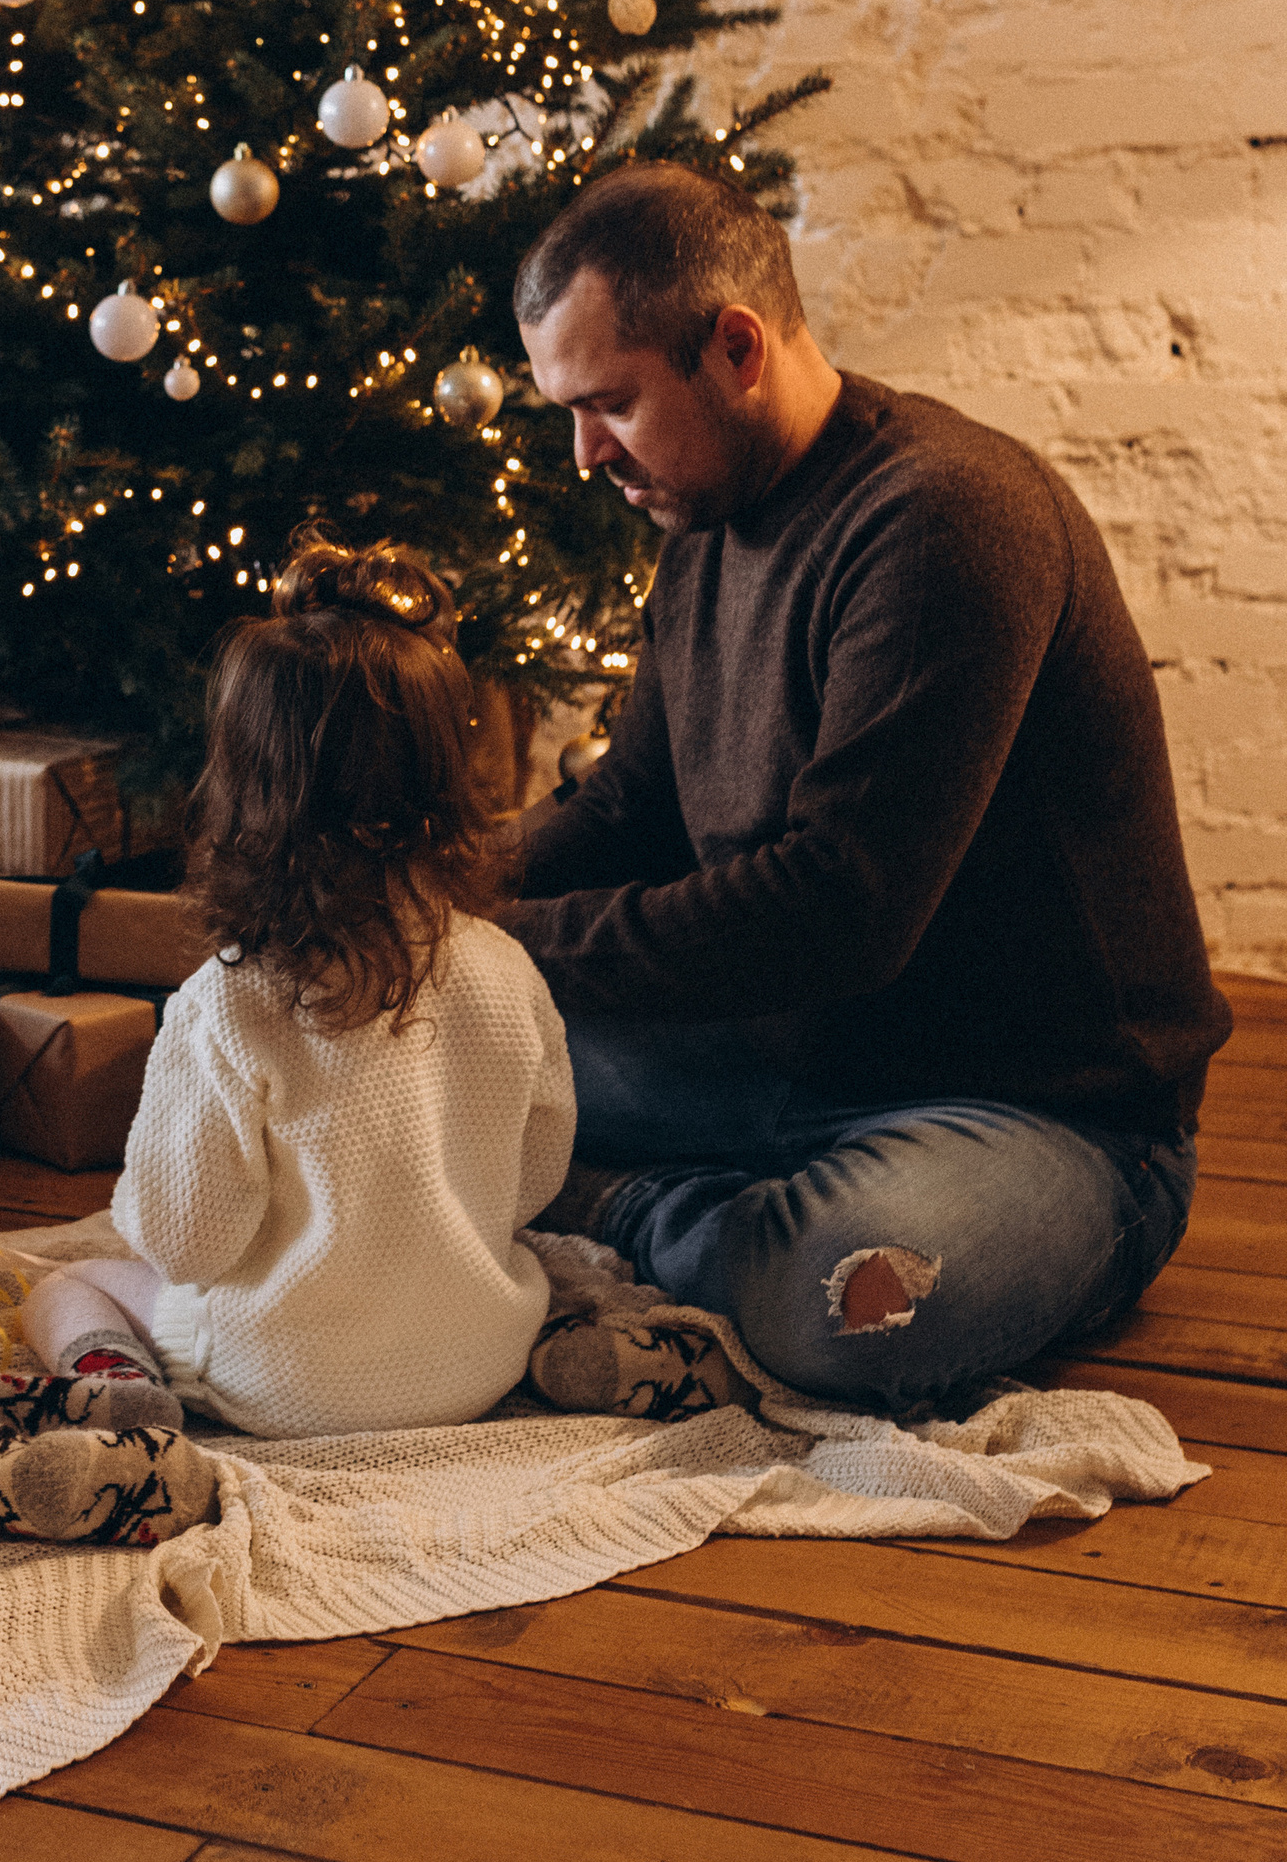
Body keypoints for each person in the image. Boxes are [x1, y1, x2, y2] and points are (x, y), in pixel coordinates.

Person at [505, 160, 1232, 1412]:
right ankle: (690, 1217)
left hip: (1037, 1113)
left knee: (842, 1306)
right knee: (438, 1062)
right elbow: (628, 807)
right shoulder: (701, 517)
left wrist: (497, 940)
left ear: (734, 347)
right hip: (781, 1061)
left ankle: (612, 1207)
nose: (584, 454)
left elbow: (838, 908)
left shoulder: (945, 515)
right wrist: (417, 894)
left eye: (608, 402)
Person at [10, 536, 577, 1439]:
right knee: (541, 1258)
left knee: (68, 1283)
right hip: (475, 1361)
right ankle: (573, 1337)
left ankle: (118, 1390)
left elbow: (185, 1242)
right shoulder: (505, 968)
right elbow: (533, 1174)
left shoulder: (228, 1001)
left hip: (282, 1380)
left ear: (246, 784)